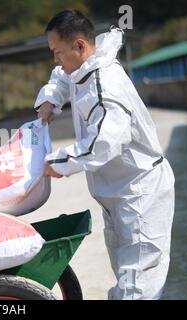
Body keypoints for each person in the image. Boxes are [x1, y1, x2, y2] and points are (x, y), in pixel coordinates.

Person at [35, 10, 175, 299]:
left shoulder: (105, 86)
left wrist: (54, 163)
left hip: (139, 195)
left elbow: (102, 145)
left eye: (57, 52)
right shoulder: (82, 68)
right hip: (116, 194)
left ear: (79, 46)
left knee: (138, 284)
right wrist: (50, 99)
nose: (55, 59)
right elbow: (61, 78)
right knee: (126, 273)